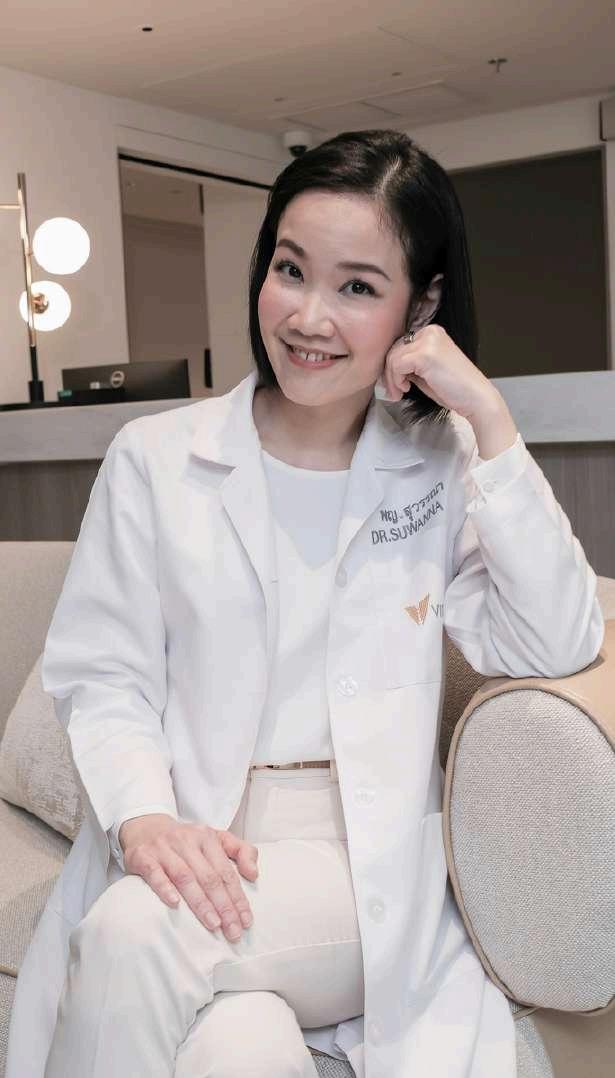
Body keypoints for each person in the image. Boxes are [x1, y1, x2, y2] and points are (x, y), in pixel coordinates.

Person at [6, 129, 604, 1078]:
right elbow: (104, 675)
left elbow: (555, 637)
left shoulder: (438, 465)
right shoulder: (154, 459)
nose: (308, 316)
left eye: (357, 287)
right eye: (290, 270)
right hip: (192, 833)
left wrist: (487, 418)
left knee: (132, 932)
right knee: (237, 1050)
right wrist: (145, 820)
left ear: (421, 307)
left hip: (355, 864)